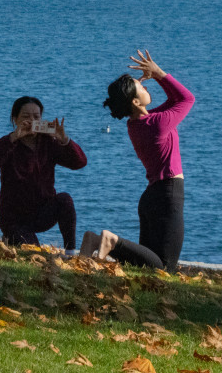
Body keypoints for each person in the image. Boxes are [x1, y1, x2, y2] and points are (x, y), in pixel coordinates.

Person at [80, 50, 194, 270]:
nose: (146, 86)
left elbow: (174, 101)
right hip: (168, 194)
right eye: (141, 87)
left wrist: (155, 76)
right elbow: (186, 99)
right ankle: (110, 241)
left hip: (152, 197)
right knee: (165, 267)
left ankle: (98, 240)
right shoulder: (158, 124)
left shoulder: (137, 125)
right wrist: (159, 73)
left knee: (145, 266)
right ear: (134, 100)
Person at [0, 96, 86, 252]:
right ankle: (12, 238)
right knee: (34, 253)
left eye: (36, 117)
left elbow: (79, 162)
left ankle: (70, 252)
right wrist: (14, 137)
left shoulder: (49, 142)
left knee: (65, 200)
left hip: (42, 212)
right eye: (25, 117)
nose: (31, 121)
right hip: (14, 219)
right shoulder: (9, 142)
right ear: (15, 119)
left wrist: (64, 139)